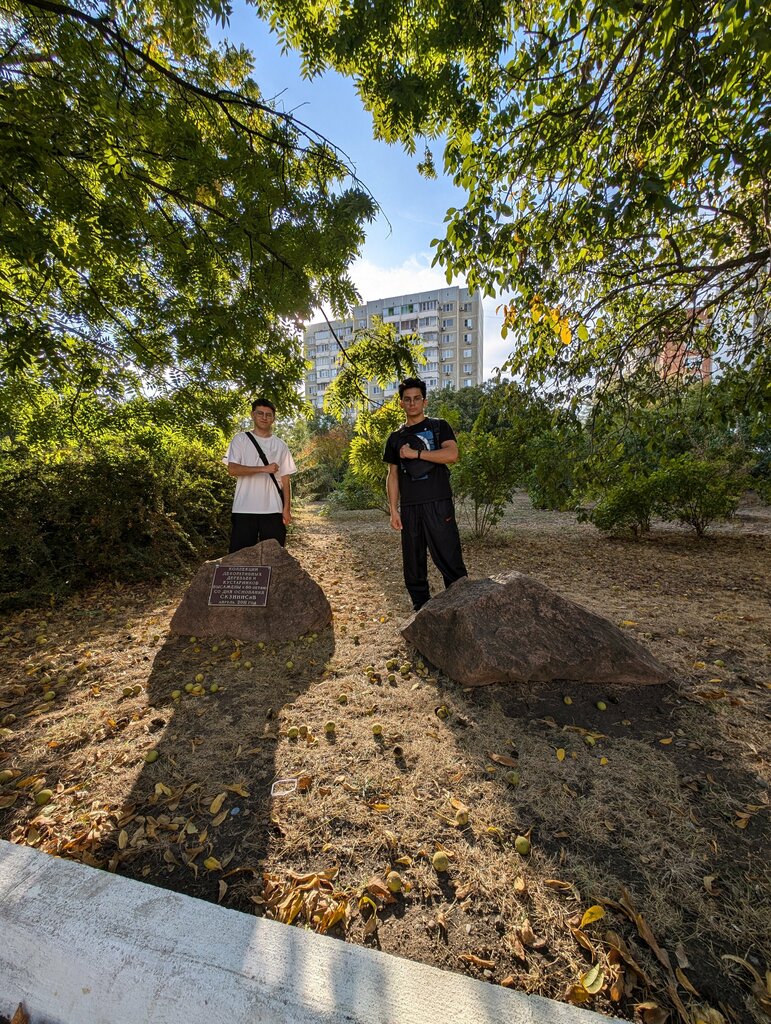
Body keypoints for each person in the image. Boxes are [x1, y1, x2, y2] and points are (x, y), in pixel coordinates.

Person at [383, 377, 467, 610]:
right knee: (413, 565)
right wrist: (393, 509)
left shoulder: (439, 426)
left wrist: (416, 455)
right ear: (401, 403)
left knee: (450, 559)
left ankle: (462, 609)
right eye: (407, 399)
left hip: (438, 503)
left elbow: (451, 455)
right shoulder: (395, 438)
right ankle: (421, 611)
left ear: (424, 401)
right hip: (410, 508)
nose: (412, 403)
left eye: (416, 398)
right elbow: (393, 474)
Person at [225, 398, 297, 553]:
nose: (264, 417)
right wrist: (264, 469)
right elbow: (232, 469)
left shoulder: (280, 445)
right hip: (244, 508)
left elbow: (285, 479)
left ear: (273, 418)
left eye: (269, 414)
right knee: (240, 558)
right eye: (260, 413)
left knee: (275, 556)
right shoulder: (240, 440)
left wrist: (286, 509)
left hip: (273, 509)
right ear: (252, 415)